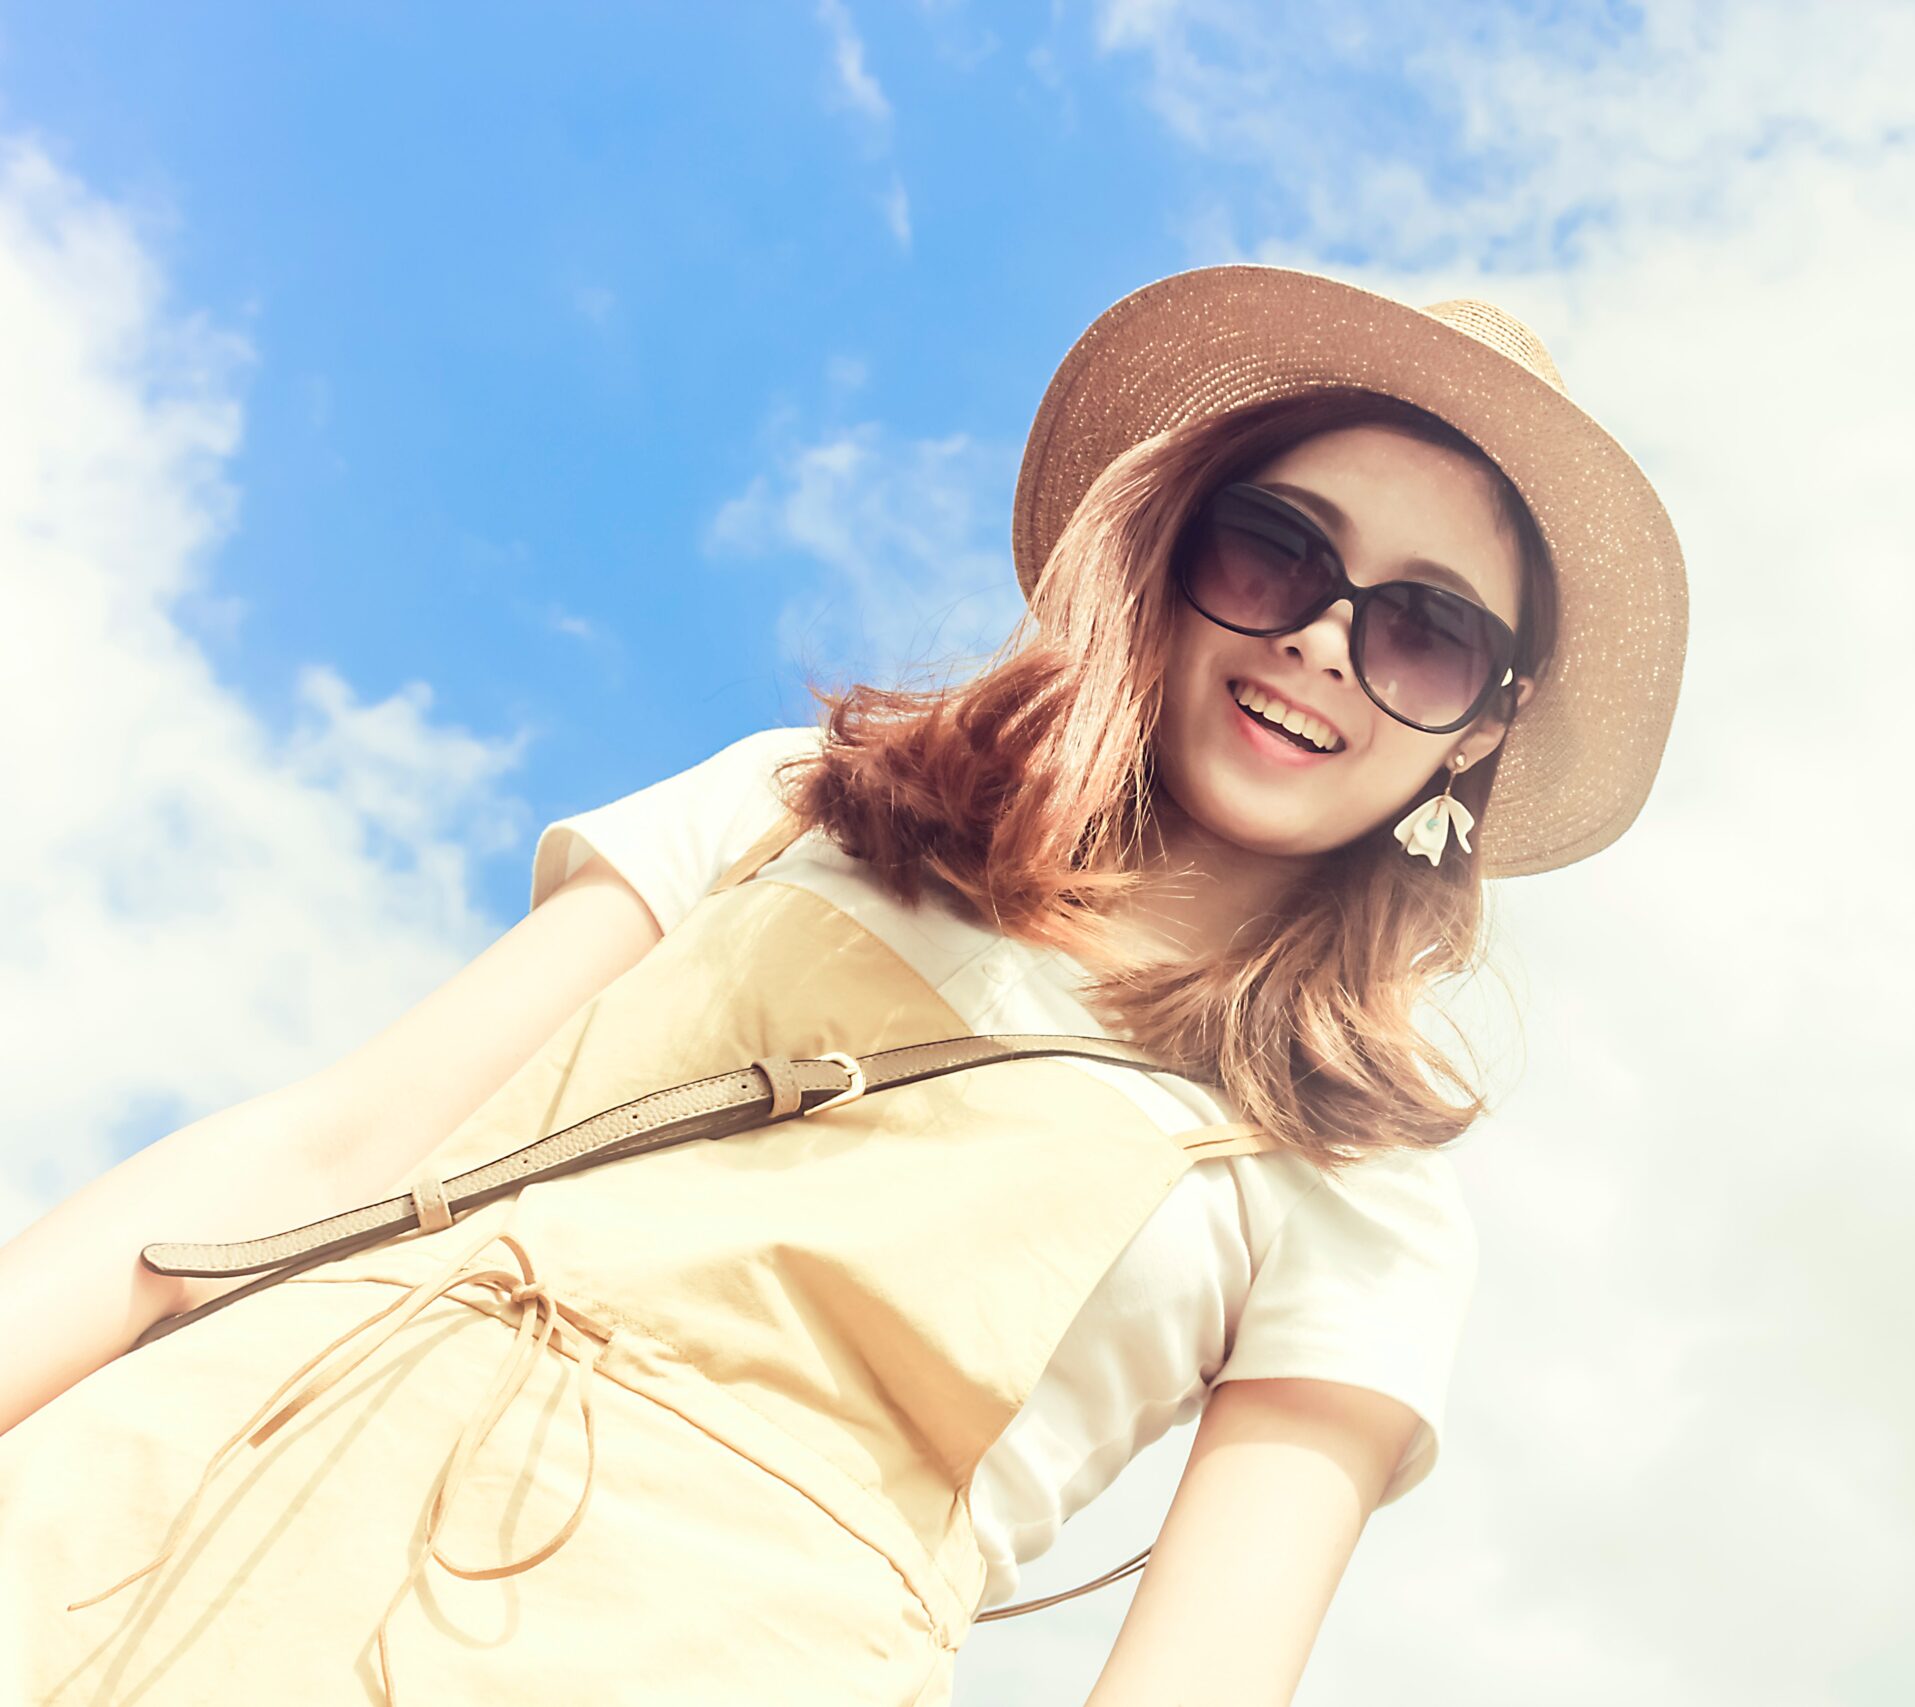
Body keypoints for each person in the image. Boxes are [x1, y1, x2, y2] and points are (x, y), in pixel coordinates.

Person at [0, 263, 1688, 1705]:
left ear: (1477, 728)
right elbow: (316, 1156)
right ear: (1170, 561)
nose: (1325, 640)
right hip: (160, 1508)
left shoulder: (1356, 1190)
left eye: (1425, 632)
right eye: (1274, 553)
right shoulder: (793, 805)